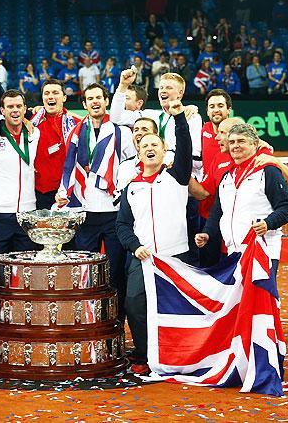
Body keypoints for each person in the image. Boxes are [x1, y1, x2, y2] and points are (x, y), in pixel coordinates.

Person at [116, 100, 193, 376]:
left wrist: (180, 119)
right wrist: (135, 247)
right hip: (144, 259)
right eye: (144, 146)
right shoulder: (131, 187)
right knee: (135, 305)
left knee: (176, 307)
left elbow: (185, 149)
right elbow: (122, 226)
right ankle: (144, 353)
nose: (149, 149)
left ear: (164, 151)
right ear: (138, 151)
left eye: (154, 145)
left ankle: (179, 355)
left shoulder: (176, 177)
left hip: (175, 256)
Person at [56, 83, 136, 322]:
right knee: (86, 271)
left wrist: (120, 188)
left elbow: (132, 165)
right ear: (84, 104)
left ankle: (114, 320)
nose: (94, 102)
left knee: (114, 273)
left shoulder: (122, 132)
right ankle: (88, 318)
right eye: (90, 99)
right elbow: (69, 168)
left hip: (113, 212)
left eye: (99, 98)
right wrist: (63, 192)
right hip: (85, 210)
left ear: (106, 101)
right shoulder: (76, 133)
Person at [110, 69, 203, 263]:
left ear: (180, 94)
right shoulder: (151, 116)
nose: (163, 90)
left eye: (169, 87)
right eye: (161, 87)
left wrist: (168, 158)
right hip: (153, 191)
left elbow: (194, 157)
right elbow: (116, 117)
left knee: (182, 249)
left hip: (180, 192)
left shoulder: (192, 117)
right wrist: (123, 86)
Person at [196, 124, 288, 279]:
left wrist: (268, 223)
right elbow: (218, 211)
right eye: (232, 142)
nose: (236, 146)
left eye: (241, 141)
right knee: (239, 302)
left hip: (262, 250)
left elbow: (286, 208)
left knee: (260, 301)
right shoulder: (227, 177)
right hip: (233, 252)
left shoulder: (267, 171)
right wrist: (207, 233)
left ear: (254, 144)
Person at [0, 89, 40, 315]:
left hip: (27, 214)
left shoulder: (35, 134)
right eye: (10, 107)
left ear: (25, 109)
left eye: (19, 106)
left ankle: (22, 317)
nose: (15, 110)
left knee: (25, 270)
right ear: (2, 111)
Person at [31, 78, 81, 209]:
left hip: (70, 192)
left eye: (55, 92)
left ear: (64, 97)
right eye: (46, 93)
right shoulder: (31, 123)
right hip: (40, 193)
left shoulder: (77, 124)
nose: (50, 96)